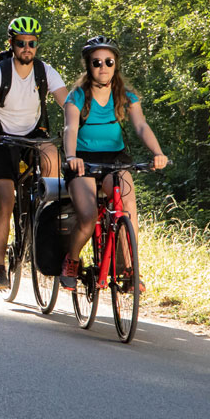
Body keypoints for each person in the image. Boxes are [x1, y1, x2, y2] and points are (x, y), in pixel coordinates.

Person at [60, 35, 168, 292]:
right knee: (87, 218)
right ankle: (71, 260)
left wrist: (157, 152)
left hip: (115, 159)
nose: (103, 67)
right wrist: (72, 157)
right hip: (83, 161)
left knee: (127, 207)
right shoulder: (76, 97)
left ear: (115, 64)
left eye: (108, 61)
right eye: (96, 62)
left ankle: (129, 269)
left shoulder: (126, 96)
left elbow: (141, 126)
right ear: (88, 66)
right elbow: (70, 128)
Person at [0, 16, 68, 290]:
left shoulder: (45, 71)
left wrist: (81, 124)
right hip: (1, 138)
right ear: (11, 44)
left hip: (34, 135)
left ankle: (44, 215)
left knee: (52, 158)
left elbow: (68, 103)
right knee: (5, 200)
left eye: (32, 43)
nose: (27, 48)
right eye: (21, 43)